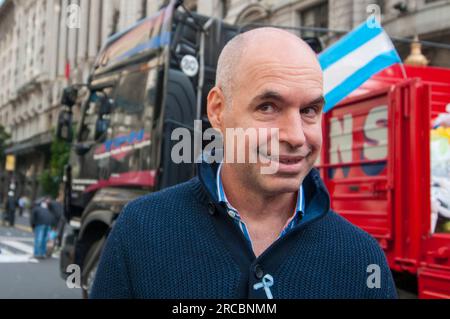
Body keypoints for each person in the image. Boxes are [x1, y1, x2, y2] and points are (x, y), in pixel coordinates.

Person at [91, 28, 397, 298]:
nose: (295, 136)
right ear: (218, 111)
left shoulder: (361, 258)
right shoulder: (141, 230)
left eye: (309, 110)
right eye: (268, 107)